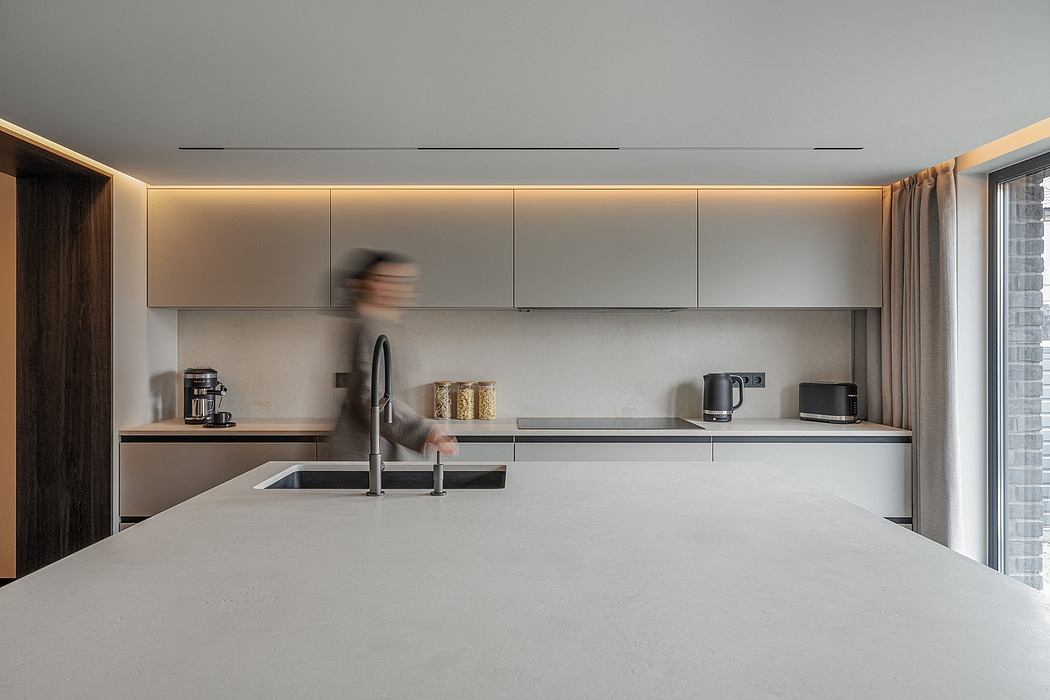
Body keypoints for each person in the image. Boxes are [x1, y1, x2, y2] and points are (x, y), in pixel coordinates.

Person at [328, 250, 459, 461]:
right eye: (395, 280)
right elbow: (371, 397)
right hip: (362, 454)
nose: (406, 288)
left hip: (378, 450)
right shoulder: (369, 328)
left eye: (409, 281)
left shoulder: (385, 325)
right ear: (371, 283)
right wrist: (425, 431)